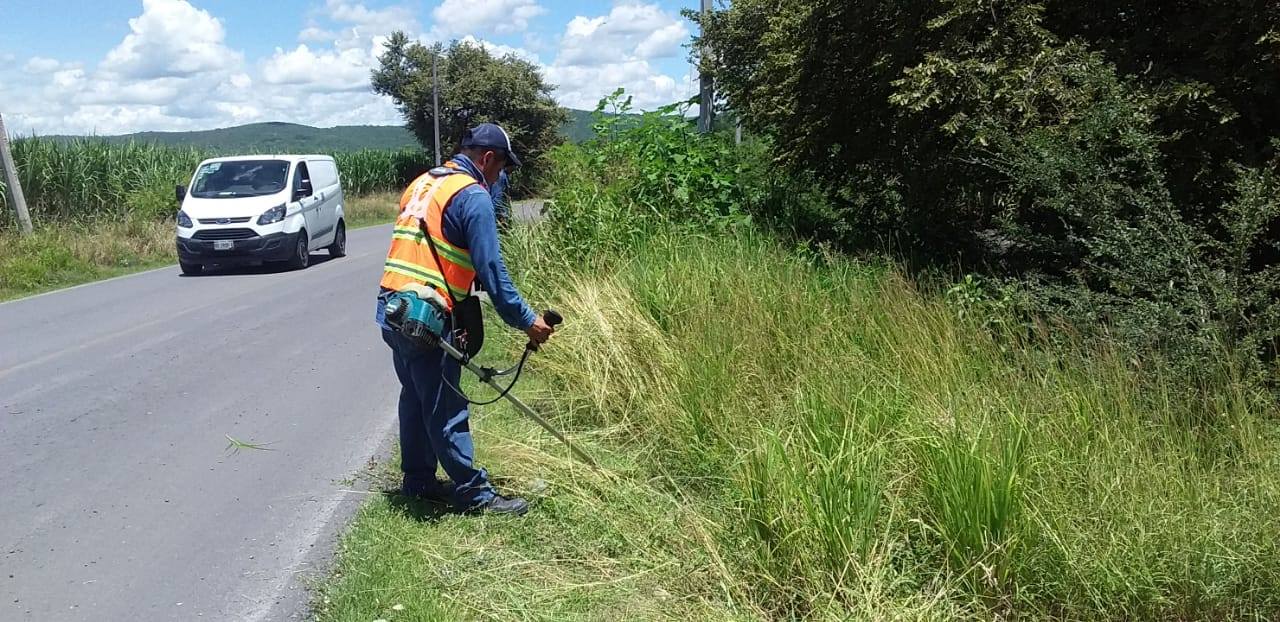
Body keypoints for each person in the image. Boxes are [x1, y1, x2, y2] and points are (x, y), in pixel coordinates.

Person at [375, 123, 555, 516]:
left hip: (391, 306)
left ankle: (419, 481)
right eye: (502, 168)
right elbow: (494, 273)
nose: (501, 177)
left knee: (415, 395)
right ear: (487, 159)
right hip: (427, 314)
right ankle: (474, 494)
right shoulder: (473, 196)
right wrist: (528, 321)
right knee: (445, 405)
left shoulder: (422, 184)